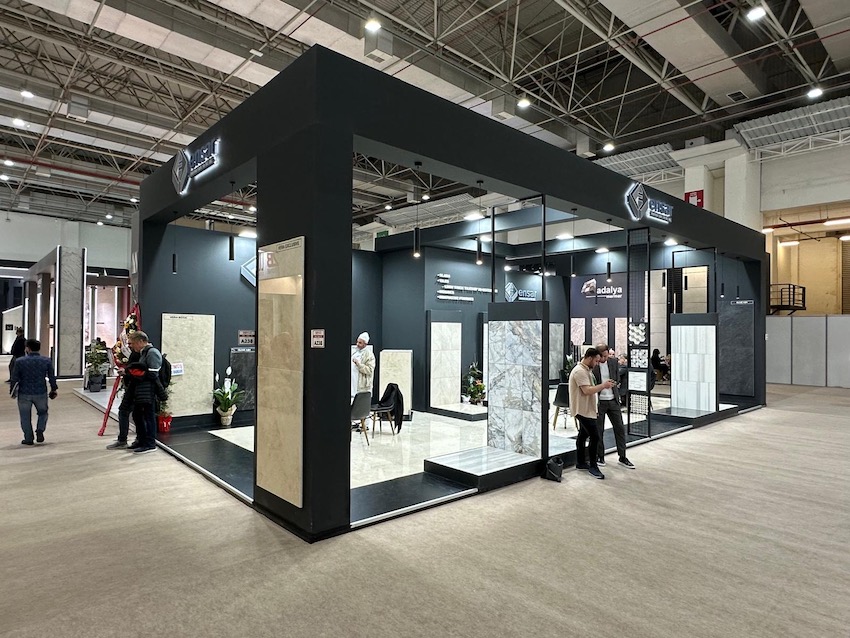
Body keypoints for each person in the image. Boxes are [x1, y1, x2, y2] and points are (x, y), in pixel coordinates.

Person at [568, 347, 615, 480]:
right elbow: (587, 390)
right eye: (596, 361)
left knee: (583, 435)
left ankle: (581, 462)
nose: (597, 364)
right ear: (589, 358)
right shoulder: (579, 371)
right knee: (595, 437)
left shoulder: (586, 370)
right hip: (583, 410)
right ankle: (593, 466)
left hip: (587, 409)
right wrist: (603, 386)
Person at [592, 343, 635, 470]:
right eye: (602, 356)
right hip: (599, 401)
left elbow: (617, 378)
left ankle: (622, 456)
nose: (604, 358)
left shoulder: (613, 362)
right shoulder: (594, 365)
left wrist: (614, 383)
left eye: (606, 356)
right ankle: (600, 456)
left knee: (619, 428)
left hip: (613, 400)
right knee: (599, 430)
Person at [10, 339, 58, 445]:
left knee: (25, 416)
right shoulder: (46, 360)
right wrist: (54, 389)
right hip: (40, 392)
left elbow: (14, 378)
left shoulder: (20, 361)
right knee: (43, 412)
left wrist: (12, 391)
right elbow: (51, 377)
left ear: (28, 348)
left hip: (24, 392)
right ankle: (40, 429)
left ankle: (28, 438)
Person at [124, 331, 165, 454]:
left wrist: (135, 373)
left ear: (141, 341)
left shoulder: (152, 353)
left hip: (148, 391)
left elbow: (153, 374)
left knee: (148, 417)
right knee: (137, 415)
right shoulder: (144, 353)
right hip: (142, 391)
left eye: (133, 343)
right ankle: (141, 440)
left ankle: (150, 444)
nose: (131, 346)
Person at [105, 349, 141, 450]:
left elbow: (139, 371)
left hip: (134, 389)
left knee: (126, 412)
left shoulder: (140, 353)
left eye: (131, 343)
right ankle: (135, 439)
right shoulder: (138, 352)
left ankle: (123, 440)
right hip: (133, 388)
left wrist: (126, 372)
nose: (129, 345)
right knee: (135, 414)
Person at [351, 331, 375, 433]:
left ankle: (365, 425)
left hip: (362, 384)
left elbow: (369, 370)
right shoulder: (354, 352)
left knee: (363, 404)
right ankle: (355, 422)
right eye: (357, 342)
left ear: (365, 344)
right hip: (353, 383)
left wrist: (359, 365)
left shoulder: (369, 355)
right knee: (353, 402)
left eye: (360, 343)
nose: (357, 344)